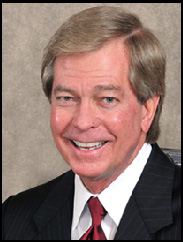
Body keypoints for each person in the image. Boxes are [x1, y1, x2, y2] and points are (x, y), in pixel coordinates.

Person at [2, 6, 181, 240]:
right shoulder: (13, 220)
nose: (83, 122)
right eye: (66, 98)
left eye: (107, 99)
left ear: (147, 110)